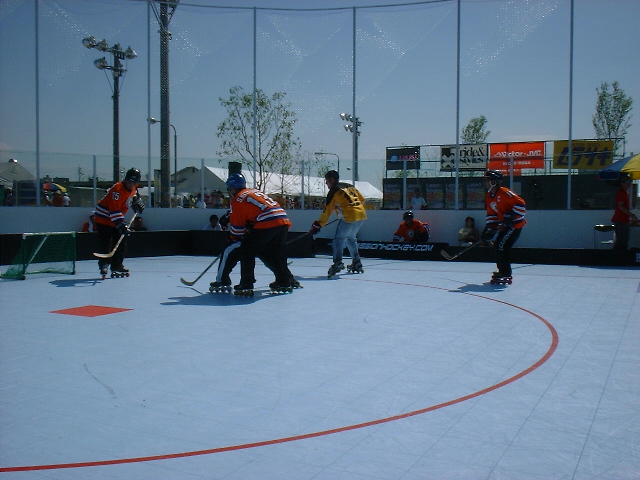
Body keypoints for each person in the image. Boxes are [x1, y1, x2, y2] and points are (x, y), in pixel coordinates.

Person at [226, 173, 297, 294]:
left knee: (247, 250)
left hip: (267, 222)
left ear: (233, 188)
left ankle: (246, 284)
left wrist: (232, 238)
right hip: (282, 220)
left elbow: (237, 229)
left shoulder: (237, 199)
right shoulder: (253, 191)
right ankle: (284, 281)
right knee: (277, 253)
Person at [311, 170, 367, 277]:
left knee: (338, 240)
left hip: (349, 216)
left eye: (327, 181)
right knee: (351, 238)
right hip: (361, 215)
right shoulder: (349, 186)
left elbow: (327, 211)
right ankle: (356, 262)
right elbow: (362, 200)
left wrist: (319, 224)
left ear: (332, 180)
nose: (326, 184)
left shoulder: (333, 191)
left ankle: (338, 262)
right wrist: (343, 210)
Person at [94, 168, 145, 277]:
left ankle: (117, 265)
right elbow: (114, 210)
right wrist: (121, 225)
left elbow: (134, 196)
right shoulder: (117, 190)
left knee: (122, 239)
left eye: (133, 182)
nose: (130, 184)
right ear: (125, 179)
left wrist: (137, 201)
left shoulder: (134, 187)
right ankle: (104, 264)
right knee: (106, 241)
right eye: (129, 181)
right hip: (104, 217)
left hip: (116, 216)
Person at [480, 170, 526, 284]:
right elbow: (491, 214)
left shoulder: (505, 193)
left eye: (487, 179)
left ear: (494, 181)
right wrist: (489, 229)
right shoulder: (489, 196)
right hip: (504, 227)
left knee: (500, 246)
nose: (485, 182)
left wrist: (511, 217)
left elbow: (521, 205)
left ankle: (505, 272)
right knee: (500, 246)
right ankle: (503, 271)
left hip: (514, 226)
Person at [611, 173, 638, 250]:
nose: (629, 184)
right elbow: (620, 206)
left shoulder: (624, 193)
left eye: (630, 182)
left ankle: (619, 254)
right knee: (622, 240)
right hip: (620, 220)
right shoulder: (622, 193)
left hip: (623, 220)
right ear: (622, 183)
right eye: (627, 182)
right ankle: (619, 255)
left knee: (623, 239)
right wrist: (631, 214)